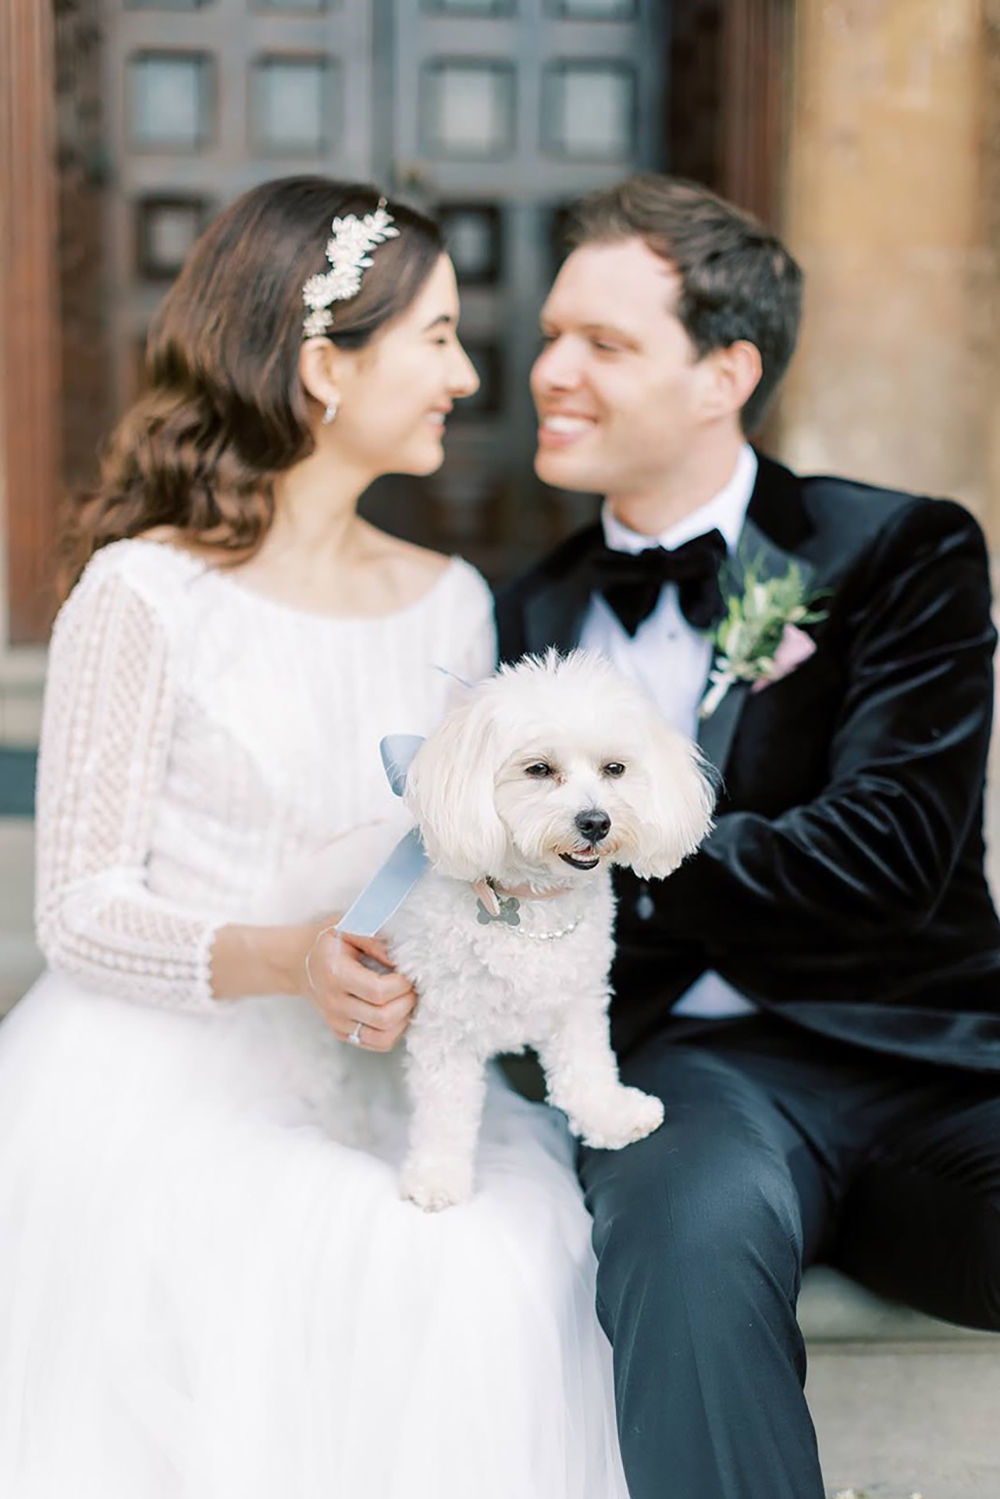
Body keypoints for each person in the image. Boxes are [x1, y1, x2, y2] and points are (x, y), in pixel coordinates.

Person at [0, 178, 628, 1499]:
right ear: (326, 366)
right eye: (438, 336)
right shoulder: (143, 593)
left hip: (384, 1074)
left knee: (501, 1266)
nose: (467, 375)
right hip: (168, 1085)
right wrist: (290, 960)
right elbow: (78, 910)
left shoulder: (451, 602)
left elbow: (466, 854)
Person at [498, 172, 1000, 1499]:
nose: (550, 371)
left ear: (726, 373)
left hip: (930, 1057)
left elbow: (890, 849)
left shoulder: (897, 550)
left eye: (604, 343)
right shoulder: (525, 611)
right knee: (685, 1234)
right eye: (552, 334)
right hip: (690, 1075)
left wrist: (599, 834)